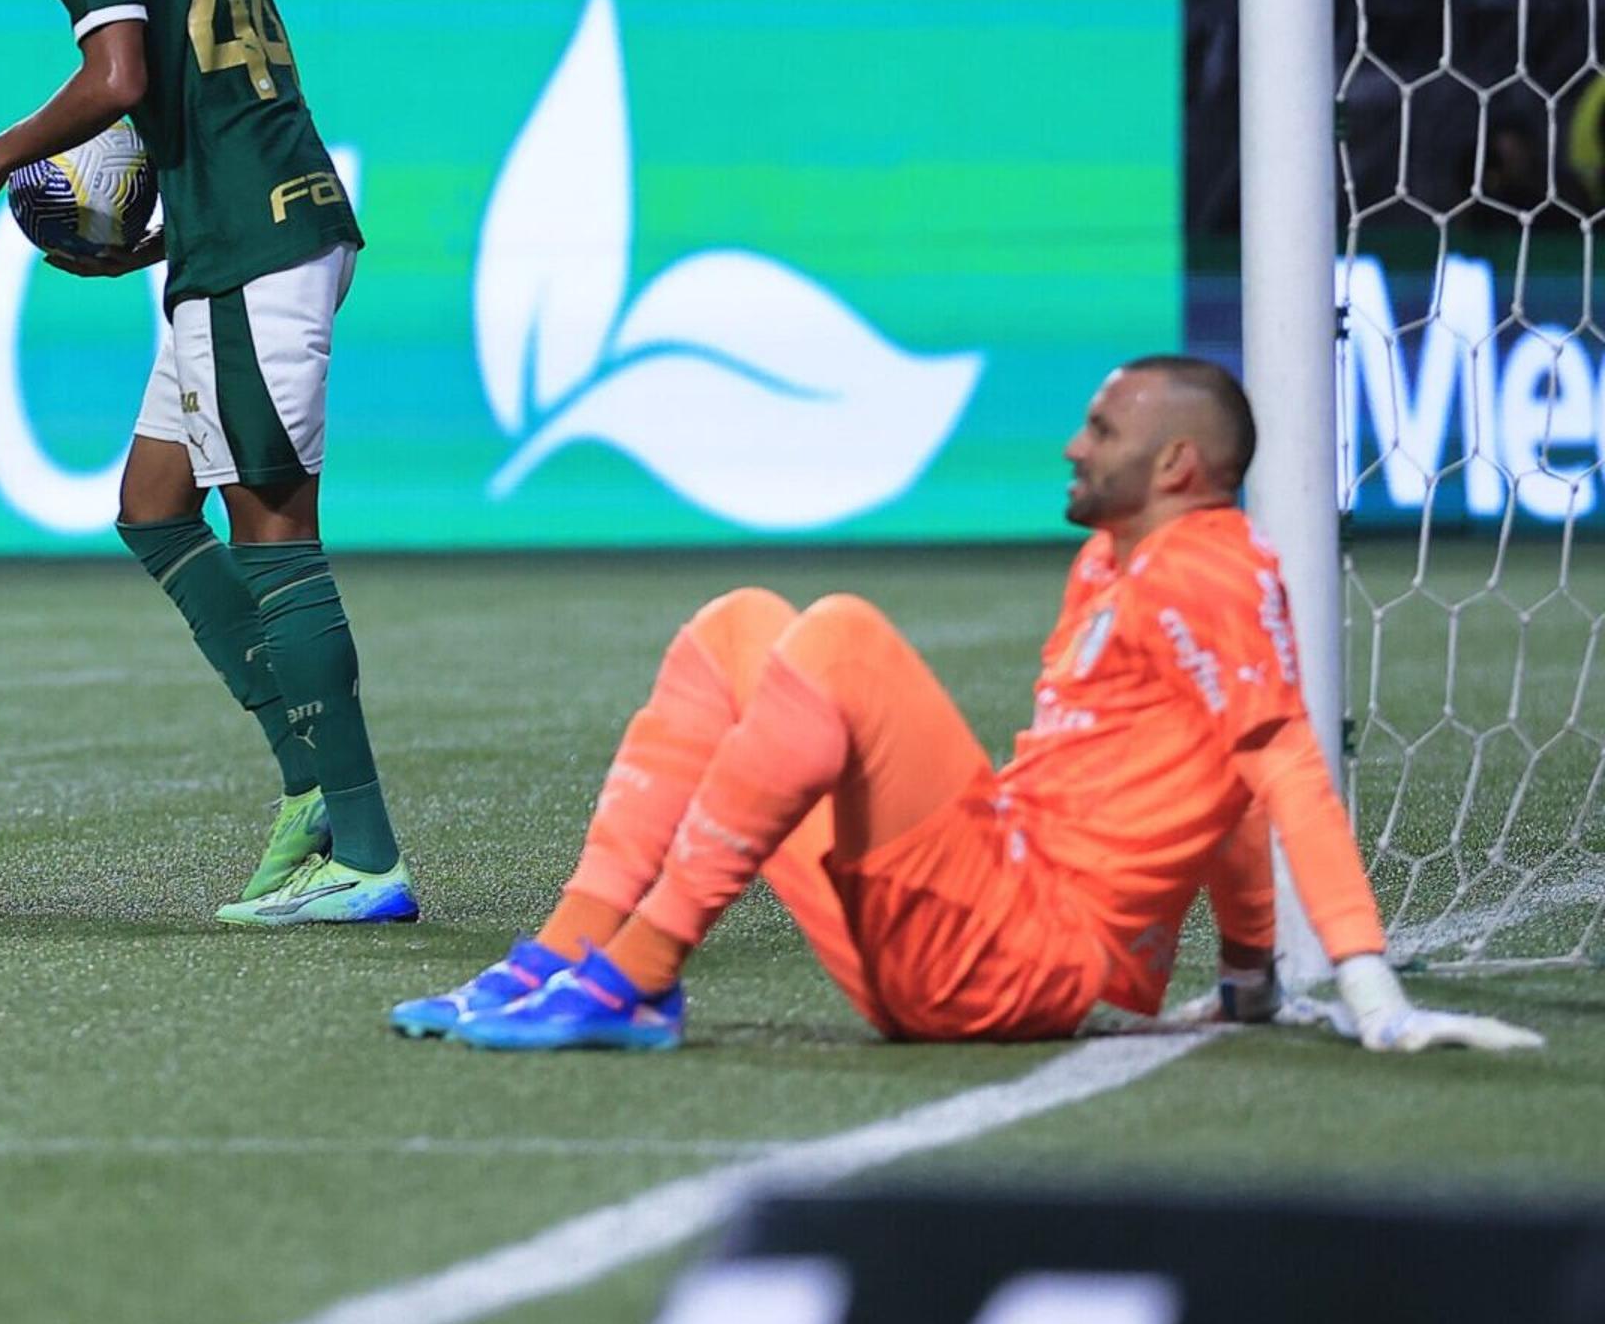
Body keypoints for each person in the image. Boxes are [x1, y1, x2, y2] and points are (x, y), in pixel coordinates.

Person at [406, 360, 1543, 1057]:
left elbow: (1281, 762)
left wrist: (1369, 987)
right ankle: (563, 959)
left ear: (1180, 464)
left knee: (840, 635)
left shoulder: (1214, 568)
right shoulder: (1117, 562)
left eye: (1102, 431)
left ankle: (636, 975)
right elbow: (1226, 789)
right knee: (738, 628)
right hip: (968, 923)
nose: (1073, 442)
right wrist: (1245, 976)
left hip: (1017, 950)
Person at [0, 0, 409, 929]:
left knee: (274, 530)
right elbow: (195, 82)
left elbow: (121, 77)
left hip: (254, 241)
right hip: (239, 225)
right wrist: (152, 236)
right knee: (154, 504)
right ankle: (310, 784)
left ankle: (362, 849)